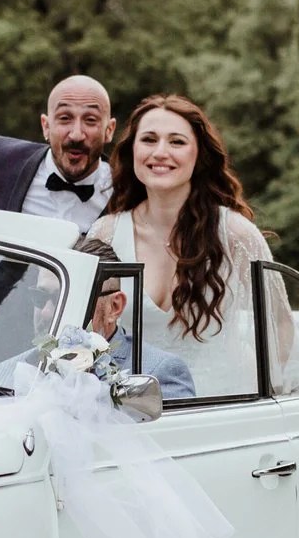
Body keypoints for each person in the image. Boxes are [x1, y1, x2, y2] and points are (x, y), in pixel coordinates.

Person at [89, 95, 278, 398]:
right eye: (149, 140)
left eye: (176, 142)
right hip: (130, 411)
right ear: (132, 150)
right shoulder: (105, 234)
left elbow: (278, 330)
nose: (160, 152)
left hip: (222, 406)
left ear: (199, 154)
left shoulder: (237, 235)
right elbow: (89, 333)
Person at [0, 74, 114, 227]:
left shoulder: (127, 191)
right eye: (65, 118)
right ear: (46, 126)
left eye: (90, 120)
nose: (76, 134)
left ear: (109, 130)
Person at [73, 236, 197, 399]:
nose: (46, 311)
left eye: (75, 299)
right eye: (39, 296)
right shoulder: (30, 362)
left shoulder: (160, 373)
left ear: (114, 307)